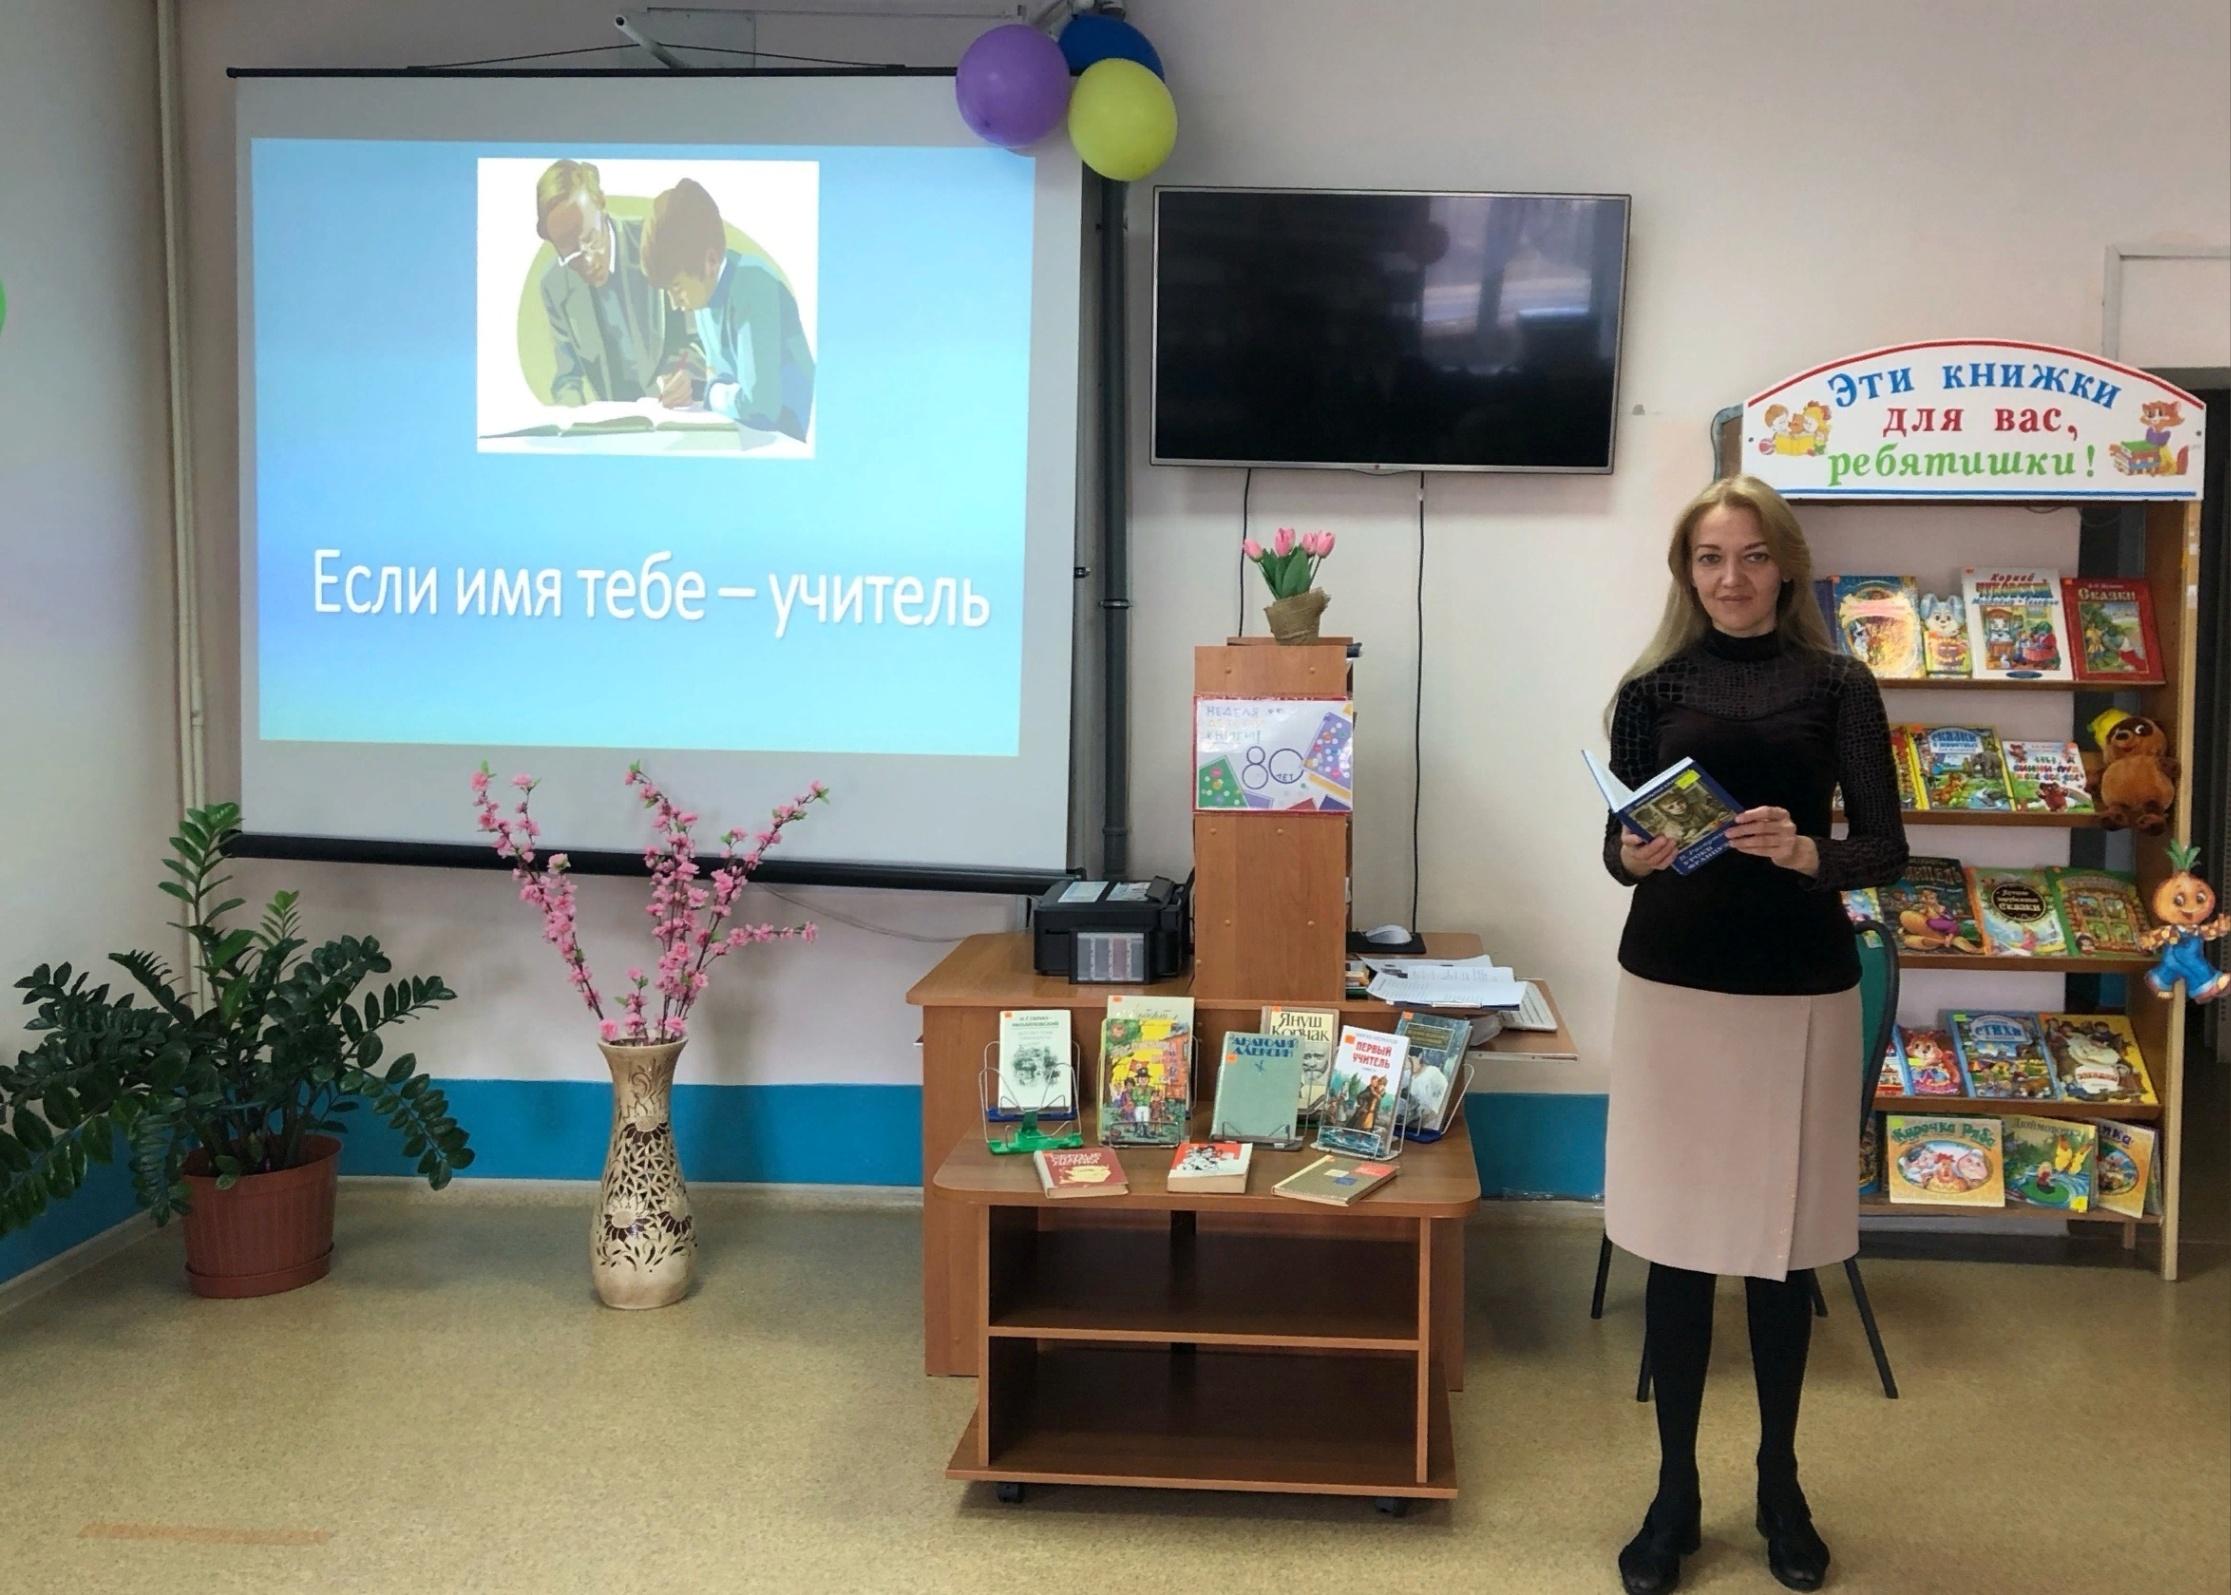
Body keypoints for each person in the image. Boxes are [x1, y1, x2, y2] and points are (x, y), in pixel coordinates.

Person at [1600, 475, 1908, 1594]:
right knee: (1677, 1250)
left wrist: (1805, 851)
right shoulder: (1651, 688)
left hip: (1796, 991)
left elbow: (1885, 847)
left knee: (1780, 1254)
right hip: (1673, 986)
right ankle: (1672, 1492)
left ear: (1785, 564)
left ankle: (1780, 1483)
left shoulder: (1838, 683)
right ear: (1685, 572)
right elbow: (1615, 847)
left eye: (1750, 555)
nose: (1729, 577)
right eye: (1707, 558)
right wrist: (1630, 851)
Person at [641, 178, 816, 442]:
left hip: (785, 439)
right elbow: (728, 383)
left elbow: (760, 406)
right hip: (747, 435)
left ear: (710, 261)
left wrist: (709, 392)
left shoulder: (754, 284)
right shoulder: (705, 292)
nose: (675, 304)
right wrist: (694, 388)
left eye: (677, 288)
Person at [533, 160, 701, 407]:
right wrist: (572, 417)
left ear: (601, 203)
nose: (588, 261)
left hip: (674, 413)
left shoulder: (658, 242)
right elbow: (567, 379)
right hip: (615, 424)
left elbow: (697, 341)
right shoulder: (554, 285)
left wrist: (688, 375)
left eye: (591, 238)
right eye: (571, 253)